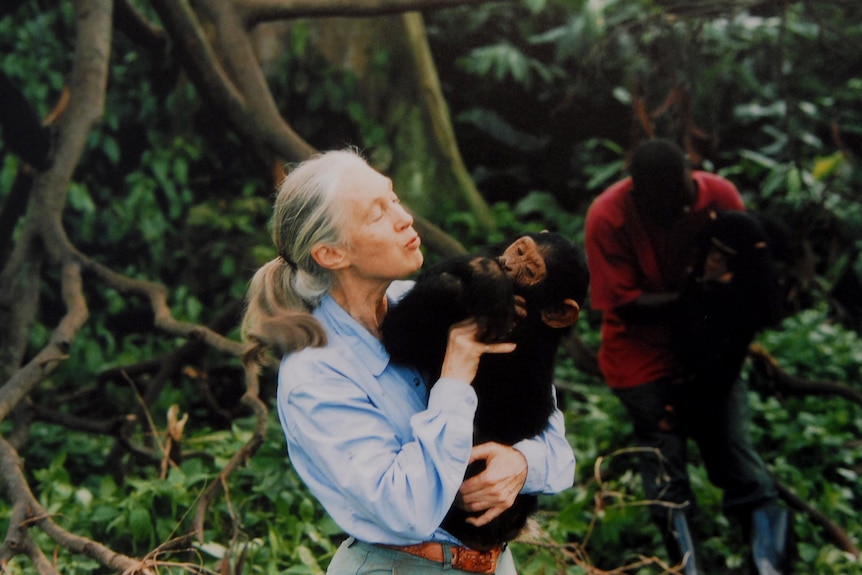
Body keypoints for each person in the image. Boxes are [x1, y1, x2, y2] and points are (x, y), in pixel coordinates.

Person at [242, 149, 576, 575]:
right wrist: (455, 375)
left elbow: (553, 439)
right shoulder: (315, 375)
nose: (403, 217)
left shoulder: (416, 301)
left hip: (492, 562)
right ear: (331, 254)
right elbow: (408, 511)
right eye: (376, 214)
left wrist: (522, 464)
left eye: (394, 198)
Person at [584, 139, 791, 574]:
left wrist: (721, 361)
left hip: (710, 348)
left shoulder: (719, 196)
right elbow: (625, 306)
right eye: (666, 207)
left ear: (691, 177)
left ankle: (768, 564)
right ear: (639, 195)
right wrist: (698, 295)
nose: (680, 213)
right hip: (640, 355)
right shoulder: (609, 216)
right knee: (665, 468)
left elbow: (753, 290)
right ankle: (685, 566)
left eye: (685, 200)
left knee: (735, 454)